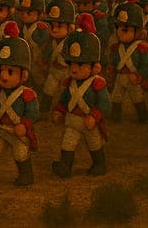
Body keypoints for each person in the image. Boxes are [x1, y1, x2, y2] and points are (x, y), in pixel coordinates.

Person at [51, 13, 110, 178]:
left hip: (89, 121)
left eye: (80, 65)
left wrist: (94, 116)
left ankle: (99, 164)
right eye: (72, 64)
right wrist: (60, 110)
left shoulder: (97, 84)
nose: (74, 69)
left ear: (95, 67)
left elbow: (105, 104)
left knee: (94, 143)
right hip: (72, 120)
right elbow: (64, 98)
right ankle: (65, 166)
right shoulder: (70, 82)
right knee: (67, 142)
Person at [0, 22, 39, 186]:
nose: (4, 76)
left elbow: (33, 113)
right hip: (1, 129)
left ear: (23, 75)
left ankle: (26, 176)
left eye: (10, 72)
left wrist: (25, 124)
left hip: (18, 132)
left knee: (21, 153)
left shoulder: (27, 95)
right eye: (0, 71)